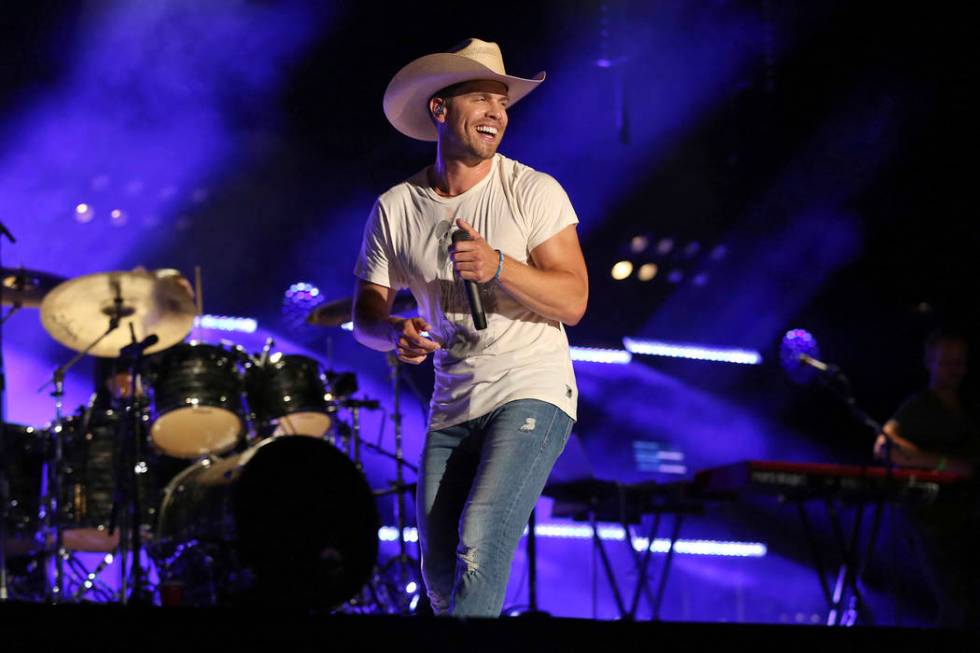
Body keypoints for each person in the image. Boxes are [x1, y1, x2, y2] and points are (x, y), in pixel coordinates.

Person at [352, 38, 588, 617]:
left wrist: (501, 266)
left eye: (502, 102)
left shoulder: (532, 190)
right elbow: (366, 317)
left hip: (530, 387)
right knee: (437, 572)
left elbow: (575, 300)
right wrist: (395, 334)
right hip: (452, 402)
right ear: (439, 109)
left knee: (480, 537)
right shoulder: (395, 208)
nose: (496, 113)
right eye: (481, 98)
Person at [874, 328, 980, 626]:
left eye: (959, 362)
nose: (954, 370)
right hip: (934, 523)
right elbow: (885, 446)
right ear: (929, 362)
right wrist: (946, 464)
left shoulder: (969, 406)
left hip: (967, 519)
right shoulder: (920, 406)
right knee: (955, 605)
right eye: (946, 362)